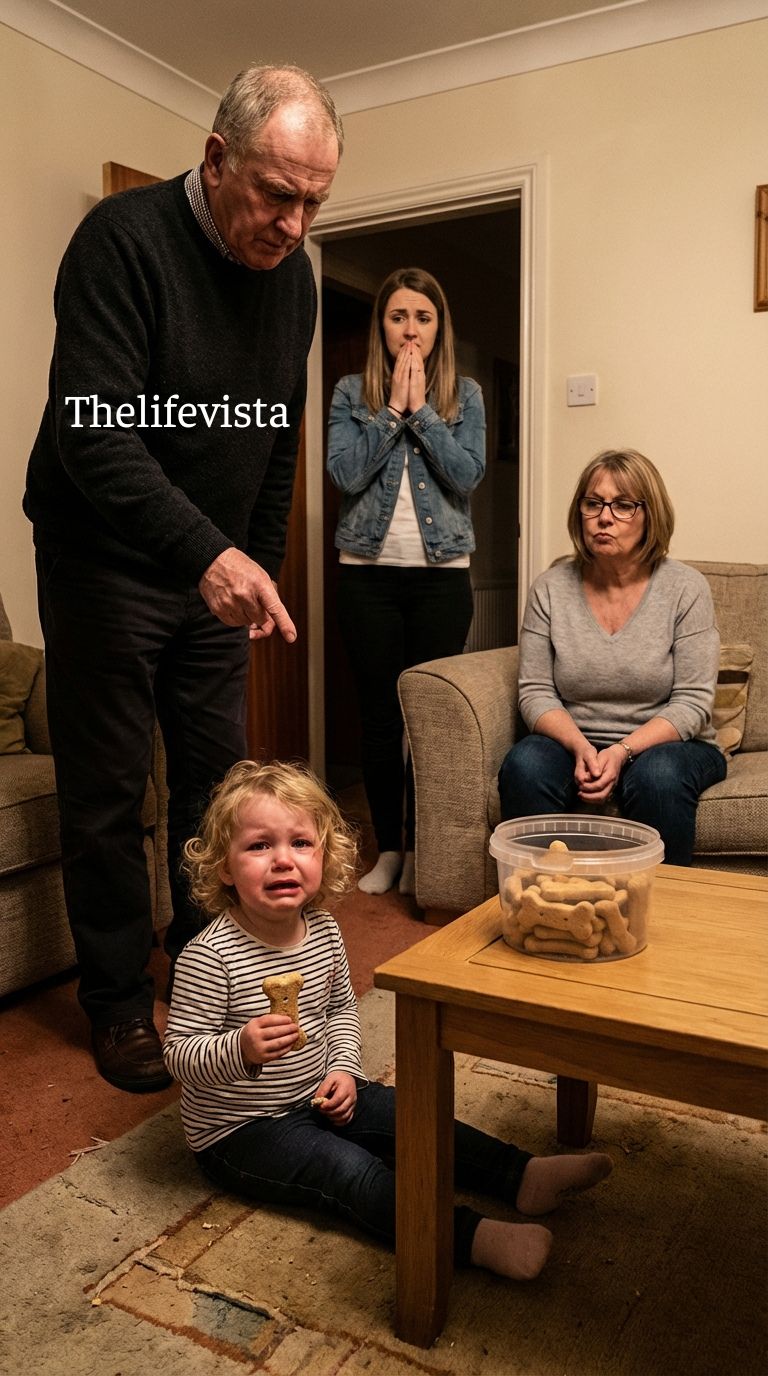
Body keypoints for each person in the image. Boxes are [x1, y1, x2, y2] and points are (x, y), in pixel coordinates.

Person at [23, 65, 343, 1092]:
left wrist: (257, 564)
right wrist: (211, 554)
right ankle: (118, 1000)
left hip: (212, 567)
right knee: (110, 789)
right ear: (216, 159)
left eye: (315, 202)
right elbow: (94, 435)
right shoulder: (121, 243)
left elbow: (275, 436)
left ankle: (206, 973)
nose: (294, 225)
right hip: (104, 558)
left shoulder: (293, 280)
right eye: (277, 194)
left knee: (217, 788)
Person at [163, 758, 612, 1281]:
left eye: (301, 843)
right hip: (241, 1130)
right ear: (224, 866)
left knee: (415, 1116)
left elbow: (339, 1010)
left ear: (325, 855)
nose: (283, 860)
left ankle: (523, 1175)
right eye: (259, 846)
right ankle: (471, 1238)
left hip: (321, 1092)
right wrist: (238, 1047)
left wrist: (343, 1070)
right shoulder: (209, 956)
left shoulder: (324, 931)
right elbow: (178, 1055)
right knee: (348, 1170)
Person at [327, 267, 486, 896]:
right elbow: (344, 475)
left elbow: (467, 475)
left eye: (423, 317)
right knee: (378, 720)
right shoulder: (351, 392)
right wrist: (392, 408)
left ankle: (424, 850)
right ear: (383, 327)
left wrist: (422, 411)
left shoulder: (465, 394)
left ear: (439, 326)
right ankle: (389, 850)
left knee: (429, 720)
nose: (411, 330)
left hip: (440, 581)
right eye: (398, 317)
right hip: (365, 579)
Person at [498, 449, 727, 864]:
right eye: (593, 503)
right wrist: (581, 747)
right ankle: (542, 894)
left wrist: (621, 751)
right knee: (525, 764)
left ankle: (662, 899)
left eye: (622, 505)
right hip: (574, 740)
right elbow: (535, 692)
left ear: (650, 515)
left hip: (669, 746)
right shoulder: (550, 588)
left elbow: (693, 702)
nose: (604, 518)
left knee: (657, 776)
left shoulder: (686, 588)